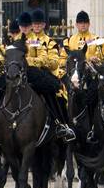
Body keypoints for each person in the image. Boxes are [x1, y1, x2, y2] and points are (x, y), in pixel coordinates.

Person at [22, 8, 75, 141]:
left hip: (46, 74)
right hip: (27, 74)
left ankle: (61, 124)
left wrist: (32, 62)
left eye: (39, 24)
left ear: (44, 25)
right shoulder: (25, 39)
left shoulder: (50, 42)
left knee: (55, 95)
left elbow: (54, 63)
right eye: (34, 24)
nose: (37, 26)